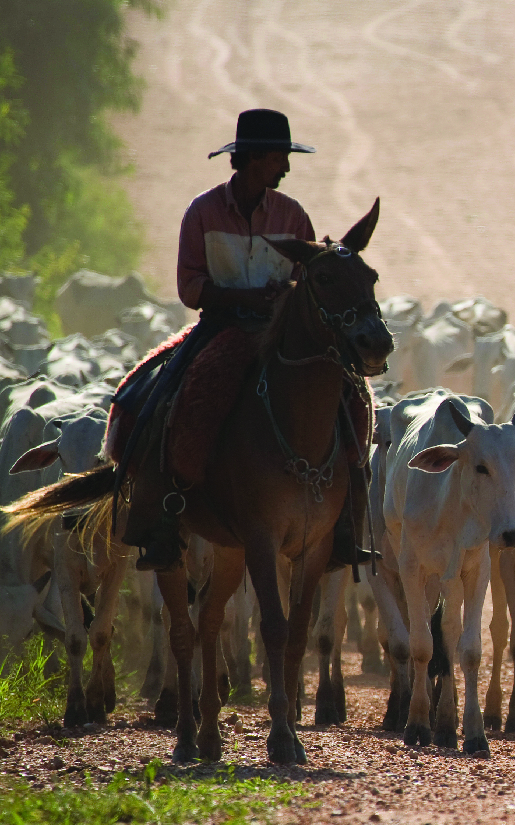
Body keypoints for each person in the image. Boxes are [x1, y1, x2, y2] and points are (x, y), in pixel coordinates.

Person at [120, 108, 373, 573]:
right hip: (222, 326)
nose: (287, 168)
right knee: (167, 399)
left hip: (282, 333)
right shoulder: (203, 212)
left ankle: (347, 524)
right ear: (254, 158)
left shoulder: (293, 215)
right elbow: (190, 285)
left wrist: (292, 297)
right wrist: (245, 298)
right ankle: (163, 517)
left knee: (350, 400)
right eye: (281, 156)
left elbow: (311, 282)